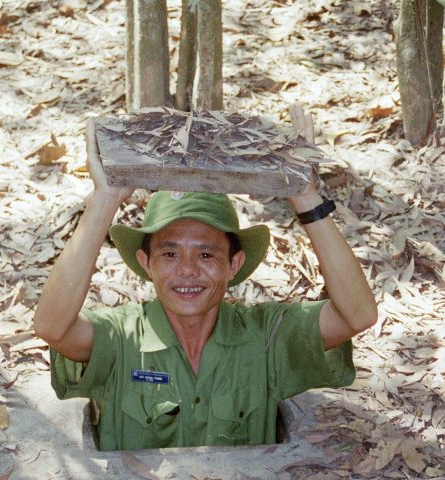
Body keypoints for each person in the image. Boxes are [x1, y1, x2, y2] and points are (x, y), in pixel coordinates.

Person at [33, 108, 378, 451]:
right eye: (169, 254)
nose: (187, 270)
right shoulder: (120, 338)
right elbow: (53, 327)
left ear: (234, 263)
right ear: (145, 262)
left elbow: (356, 315)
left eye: (206, 254)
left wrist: (306, 197)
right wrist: (105, 199)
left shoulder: (266, 338)